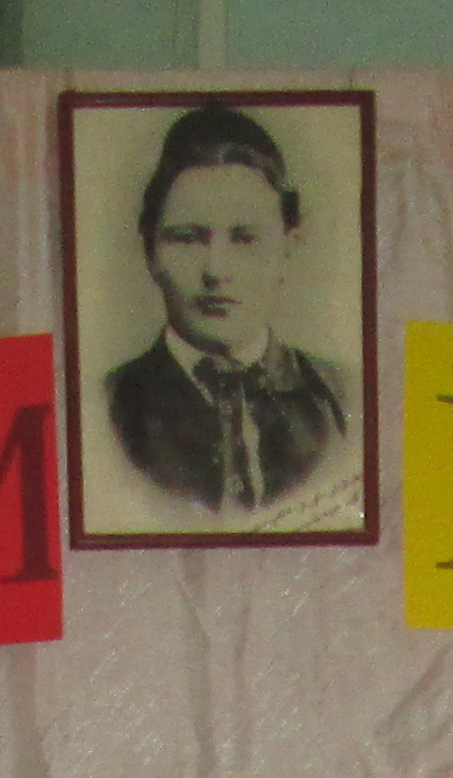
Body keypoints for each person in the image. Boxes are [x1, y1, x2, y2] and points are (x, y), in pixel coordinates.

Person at [98, 103, 355, 525]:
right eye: (187, 238)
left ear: (288, 248)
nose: (216, 271)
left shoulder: (343, 403)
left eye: (245, 238)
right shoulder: (103, 412)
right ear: (150, 253)